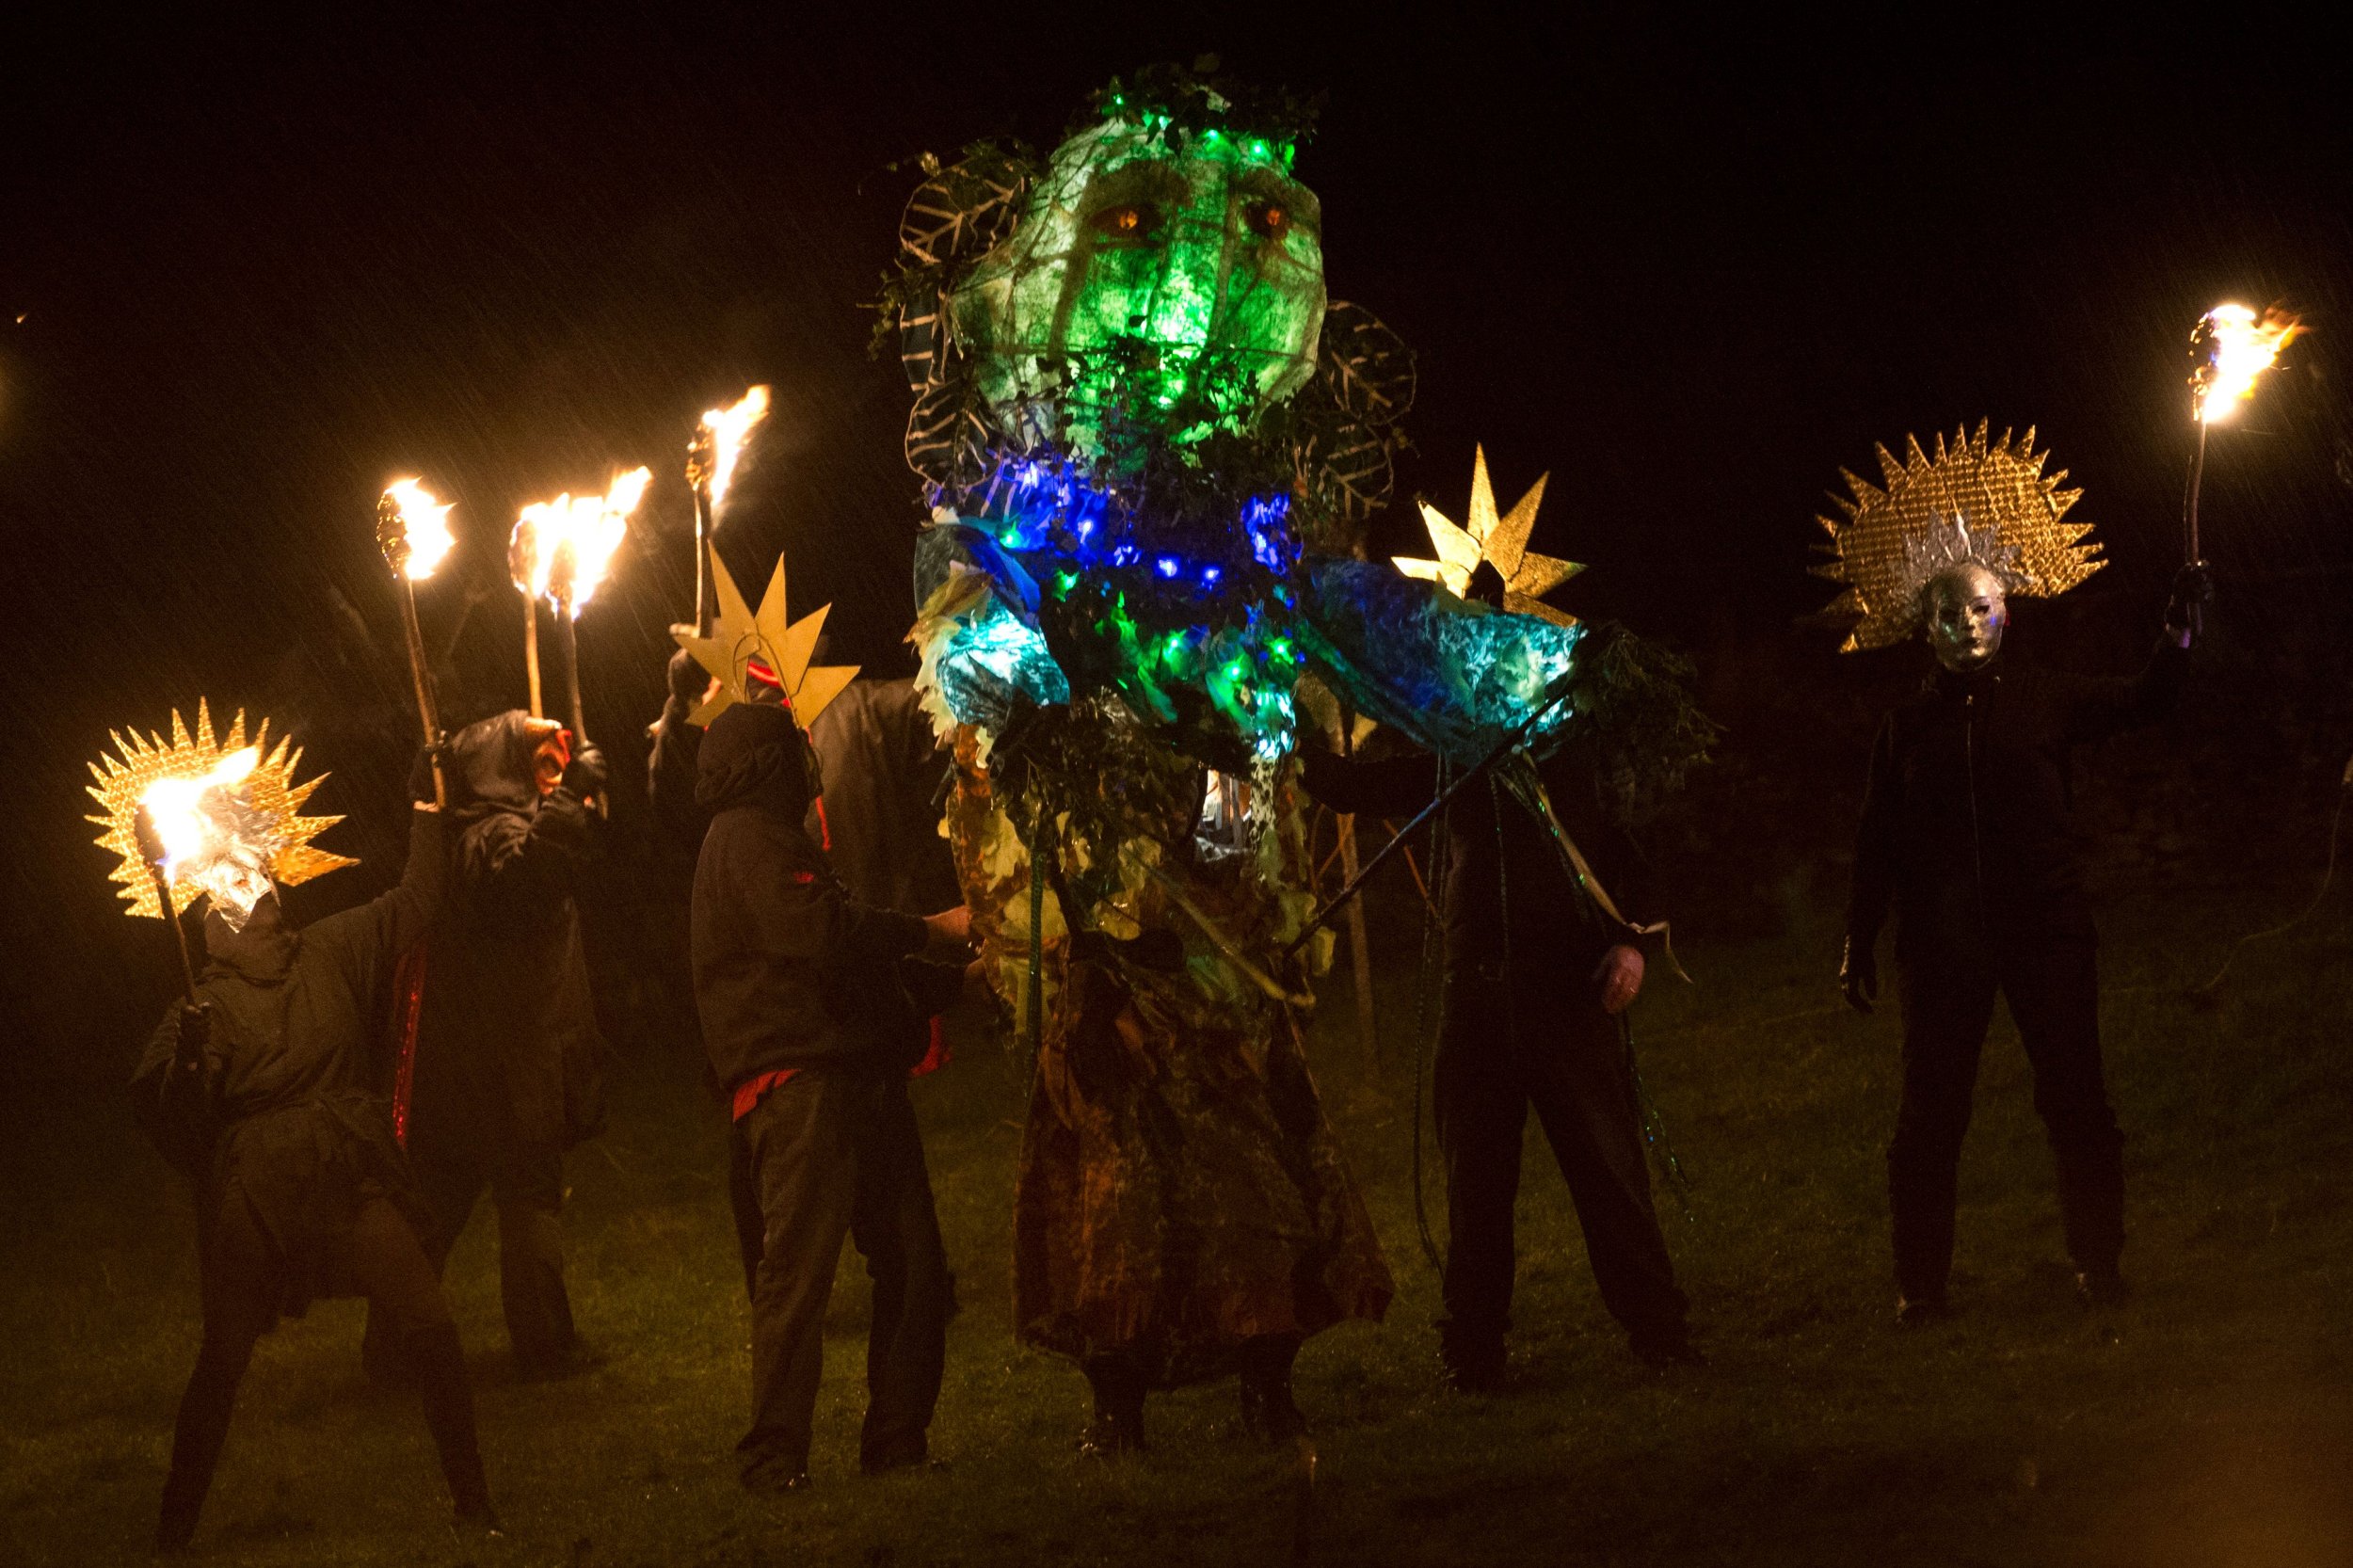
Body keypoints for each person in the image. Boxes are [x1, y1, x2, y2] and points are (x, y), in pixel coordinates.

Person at [1839, 560, 2210, 1322]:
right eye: (1948, 615)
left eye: (1979, 609)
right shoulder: (1907, 727)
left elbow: (2144, 699)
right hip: (1942, 944)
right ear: (1925, 626)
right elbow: (1877, 838)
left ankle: (2098, 1265)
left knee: (2076, 1099)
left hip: (2046, 931)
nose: (1966, 627)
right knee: (1931, 1114)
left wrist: (2177, 629)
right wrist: (1859, 938)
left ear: (2005, 611)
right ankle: (1921, 1286)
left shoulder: (2045, 698)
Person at [133, 775, 495, 1554]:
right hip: (256, 1189)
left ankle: (475, 1504)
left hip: (344, 1171)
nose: (252, 879)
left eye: (257, 868)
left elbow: (414, 901)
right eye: (231, 875)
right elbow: (167, 1119)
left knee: (429, 1323)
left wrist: (428, 804)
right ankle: (171, 1532)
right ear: (210, 908)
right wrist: (190, 1063)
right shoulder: (204, 1005)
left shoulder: (327, 950)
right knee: (222, 1361)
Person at [1299, 737, 1697, 1391]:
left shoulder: (1580, 755)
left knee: (1608, 1168)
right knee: (1476, 1183)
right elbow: (1356, 788)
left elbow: (1635, 857)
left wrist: (1632, 945)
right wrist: (1280, 715)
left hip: (1569, 995)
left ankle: (1659, 1330)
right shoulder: (1459, 757)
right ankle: (1473, 1349)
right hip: (1477, 1001)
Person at [689, 699, 974, 1489]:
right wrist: (933, 931)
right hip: (804, 1089)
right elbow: (826, 937)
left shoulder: (772, 840)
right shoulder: (744, 840)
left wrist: (955, 980)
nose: (812, 769)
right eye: (797, 755)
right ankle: (772, 1457)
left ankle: (896, 1443)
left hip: (849, 1076)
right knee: (798, 1276)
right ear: (770, 767)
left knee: (914, 1264)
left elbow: (852, 967)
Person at [367, 712, 607, 1381]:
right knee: (526, 1201)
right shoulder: (487, 836)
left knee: (438, 1208)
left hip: (469, 1063)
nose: (548, 767)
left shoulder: (463, 832)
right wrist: (567, 805)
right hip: (505, 1064)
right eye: (531, 755)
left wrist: (571, 805)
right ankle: (544, 1346)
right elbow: (523, 883)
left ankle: (391, 1347)